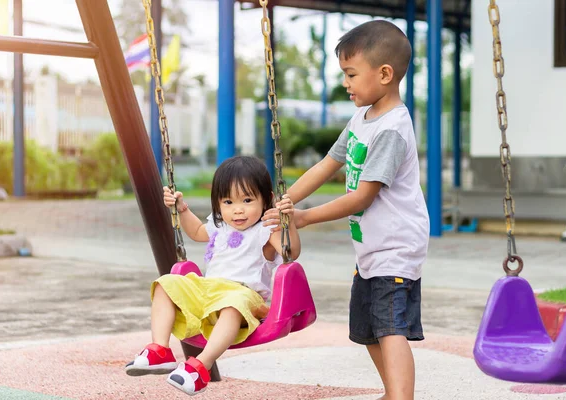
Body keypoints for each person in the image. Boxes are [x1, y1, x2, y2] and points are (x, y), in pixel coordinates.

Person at [263, 20, 429, 400]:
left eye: (351, 74)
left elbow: (361, 198)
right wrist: (284, 202)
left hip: (397, 247)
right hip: (371, 249)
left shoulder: (391, 129)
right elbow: (326, 164)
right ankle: (392, 391)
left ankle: (401, 397)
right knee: (369, 327)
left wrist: (305, 217)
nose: (346, 83)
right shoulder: (363, 120)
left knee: (390, 328)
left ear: (384, 74)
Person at [125, 156, 300, 396]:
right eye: (228, 202)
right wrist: (182, 209)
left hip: (243, 295)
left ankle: (200, 366)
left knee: (231, 304)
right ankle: (160, 349)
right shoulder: (219, 225)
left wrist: (287, 223)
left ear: (267, 199)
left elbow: (291, 252)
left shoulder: (266, 230)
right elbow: (197, 232)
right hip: (208, 291)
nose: (237, 209)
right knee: (166, 284)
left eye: (247, 200)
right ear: (218, 203)